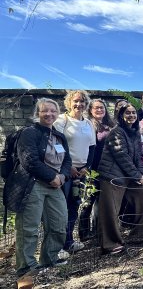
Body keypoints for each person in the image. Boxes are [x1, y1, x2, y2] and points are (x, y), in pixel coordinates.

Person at [14, 98, 72, 277]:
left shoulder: (59, 136)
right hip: (33, 185)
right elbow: (29, 160)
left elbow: (67, 161)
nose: (49, 114)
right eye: (44, 111)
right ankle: (27, 268)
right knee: (29, 228)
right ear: (37, 113)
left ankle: (49, 260)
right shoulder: (29, 133)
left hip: (55, 186)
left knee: (59, 224)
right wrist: (51, 177)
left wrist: (62, 176)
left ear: (58, 113)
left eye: (53, 111)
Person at [97, 103, 143, 254]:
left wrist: (141, 174)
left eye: (133, 113)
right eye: (127, 113)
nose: (131, 115)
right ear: (121, 115)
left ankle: (142, 232)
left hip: (129, 175)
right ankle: (111, 243)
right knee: (111, 209)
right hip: (112, 175)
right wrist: (136, 175)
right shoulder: (116, 132)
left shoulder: (135, 133)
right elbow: (121, 156)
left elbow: (138, 157)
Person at [54, 90, 96, 253]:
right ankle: (57, 245)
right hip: (65, 171)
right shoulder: (62, 121)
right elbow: (56, 146)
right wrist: (68, 166)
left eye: (82, 102)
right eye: (76, 101)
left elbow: (92, 147)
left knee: (74, 205)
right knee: (61, 206)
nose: (79, 104)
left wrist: (86, 167)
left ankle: (69, 241)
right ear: (69, 103)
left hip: (81, 173)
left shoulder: (88, 124)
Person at [80, 99, 115, 240]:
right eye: (96, 108)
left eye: (102, 107)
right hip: (92, 169)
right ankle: (83, 233)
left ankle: (97, 230)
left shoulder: (110, 125)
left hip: (107, 169)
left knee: (102, 202)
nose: (99, 110)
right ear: (90, 110)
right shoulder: (88, 125)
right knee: (88, 202)